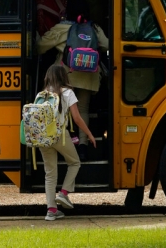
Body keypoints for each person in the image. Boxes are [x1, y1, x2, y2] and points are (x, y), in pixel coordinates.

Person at [37, 0, 108, 160]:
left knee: (61, 110)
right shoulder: (94, 28)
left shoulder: (61, 28)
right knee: (82, 109)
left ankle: (63, 146)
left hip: (65, 75)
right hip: (89, 75)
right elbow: (107, 45)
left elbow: (40, 47)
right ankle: (82, 147)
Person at [39, 65, 97, 221]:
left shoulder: (42, 94)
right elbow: (77, 118)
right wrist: (89, 134)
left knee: (50, 173)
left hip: (43, 136)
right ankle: (63, 194)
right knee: (74, 163)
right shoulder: (67, 92)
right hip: (59, 134)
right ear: (63, 76)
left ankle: (51, 210)